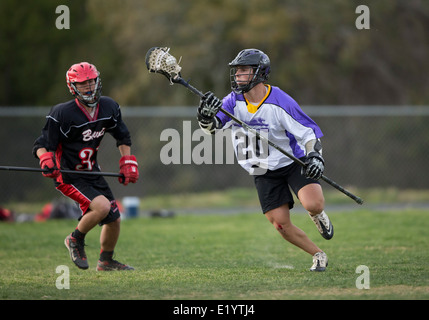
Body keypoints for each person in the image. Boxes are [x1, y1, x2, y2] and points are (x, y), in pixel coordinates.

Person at [197, 49, 333, 271]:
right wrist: (204, 117)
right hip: (261, 168)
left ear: (259, 73)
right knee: (281, 224)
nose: (238, 75)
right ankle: (318, 254)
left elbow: (308, 132)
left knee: (313, 203)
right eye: (236, 71)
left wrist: (315, 156)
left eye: (243, 70)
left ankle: (317, 215)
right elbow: (212, 129)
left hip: (291, 161)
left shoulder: (280, 101)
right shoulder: (232, 101)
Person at [33, 62, 139, 271]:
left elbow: (122, 136)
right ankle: (75, 239)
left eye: (91, 81)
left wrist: (127, 161)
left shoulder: (109, 107)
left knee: (114, 219)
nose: (89, 87)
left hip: (92, 171)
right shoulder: (62, 113)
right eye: (82, 84)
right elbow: (42, 145)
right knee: (102, 207)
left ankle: (106, 261)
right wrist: (46, 159)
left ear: (98, 80)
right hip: (69, 175)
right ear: (73, 86)